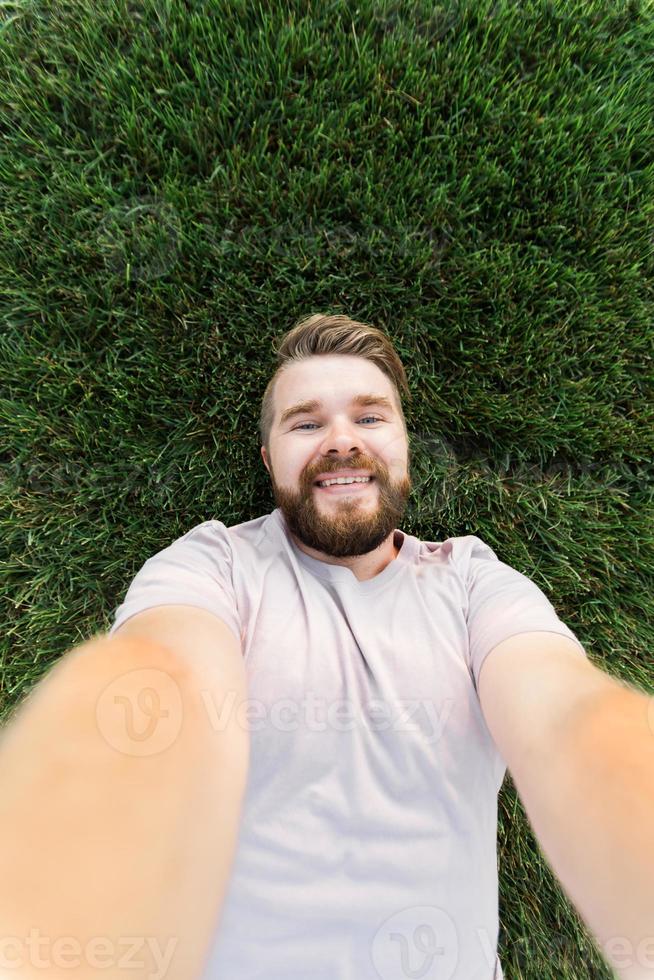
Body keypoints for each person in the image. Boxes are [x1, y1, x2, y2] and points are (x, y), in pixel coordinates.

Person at [107, 313, 596, 980]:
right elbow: (162, 675)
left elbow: (560, 703)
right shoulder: (212, 565)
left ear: (403, 446)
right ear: (268, 459)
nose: (341, 441)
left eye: (369, 418)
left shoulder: (475, 583)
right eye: (306, 424)